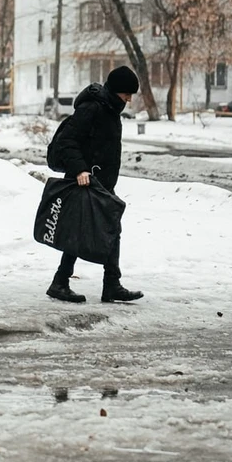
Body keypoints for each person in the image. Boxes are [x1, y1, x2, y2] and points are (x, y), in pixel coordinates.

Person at [45, 65, 144, 304]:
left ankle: (109, 284)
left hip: (101, 182)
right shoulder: (92, 108)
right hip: (85, 180)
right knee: (83, 231)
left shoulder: (110, 108)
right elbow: (68, 141)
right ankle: (62, 282)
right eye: (127, 94)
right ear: (117, 90)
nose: (129, 100)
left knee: (110, 228)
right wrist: (80, 169)